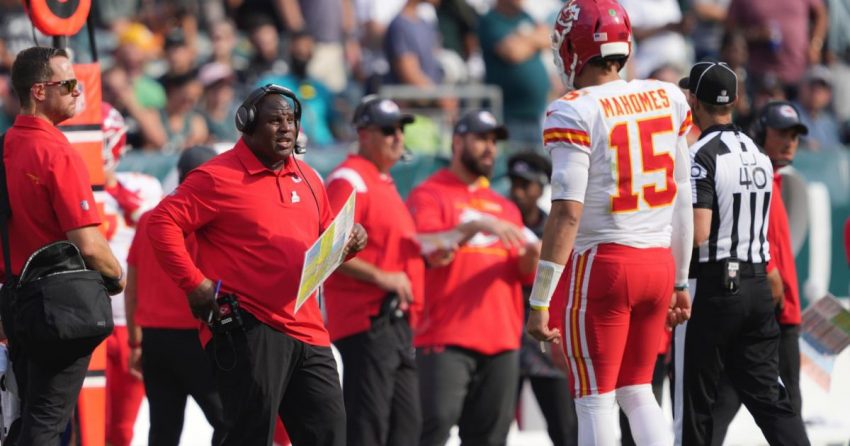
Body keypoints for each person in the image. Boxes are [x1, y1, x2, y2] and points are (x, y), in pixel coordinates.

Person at [146, 84, 366, 446]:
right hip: (250, 326)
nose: (286, 128)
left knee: (329, 431)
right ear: (246, 124)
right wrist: (193, 283)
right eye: (275, 121)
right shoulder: (216, 176)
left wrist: (350, 244)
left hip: (308, 327)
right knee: (250, 435)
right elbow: (161, 222)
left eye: (291, 120)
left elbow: (325, 243)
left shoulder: (310, 178)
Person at [525, 2, 695, 445]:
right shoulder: (667, 96)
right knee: (638, 391)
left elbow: (567, 211)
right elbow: (683, 194)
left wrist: (540, 298)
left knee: (595, 399)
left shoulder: (574, 110)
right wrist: (680, 278)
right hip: (658, 263)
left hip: (605, 265)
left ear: (574, 49)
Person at [674, 61, 810, 445]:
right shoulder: (758, 153)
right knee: (772, 400)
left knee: (698, 404)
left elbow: (700, 231)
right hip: (757, 284)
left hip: (715, 286)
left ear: (694, 101)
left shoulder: (700, 155)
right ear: (734, 101)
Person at [0, 46, 124, 445]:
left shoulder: (5, 146)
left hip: (15, 302)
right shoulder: (55, 151)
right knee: (47, 423)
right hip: (58, 308)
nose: (77, 91)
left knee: (27, 418)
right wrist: (117, 276)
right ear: (39, 91)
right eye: (69, 84)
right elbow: (88, 244)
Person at [407, 109, 540, 446]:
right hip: (445, 336)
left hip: (502, 341)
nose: (490, 148)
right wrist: (475, 225)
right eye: (481, 138)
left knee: (491, 438)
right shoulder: (429, 194)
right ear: (457, 142)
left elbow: (523, 274)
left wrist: (534, 255)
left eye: (494, 141)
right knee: (432, 431)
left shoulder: (504, 207)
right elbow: (426, 246)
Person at [707, 101, 810, 444]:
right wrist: (767, 274)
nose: (789, 142)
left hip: (775, 309)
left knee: (728, 401)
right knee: (783, 407)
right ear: (761, 132)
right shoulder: (754, 179)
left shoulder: (773, 179)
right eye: (782, 133)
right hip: (768, 310)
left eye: (794, 135)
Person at [323, 96, 423, 446]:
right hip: (367, 320)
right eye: (388, 130)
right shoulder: (350, 178)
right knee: (369, 425)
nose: (398, 137)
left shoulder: (382, 181)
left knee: (406, 426)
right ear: (364, 134)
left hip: (395, 323)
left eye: (400, 129)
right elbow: (328, 251)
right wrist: (383, 277)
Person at [125, 146, 226, 446]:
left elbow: (132, 287)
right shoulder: (207, 223)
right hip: (196, 338)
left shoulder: (149, 219)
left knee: (163, 430)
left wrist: (135, 342)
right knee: (230, 421)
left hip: (155, 340)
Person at [100, 103, 162, 446]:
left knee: (123, 429)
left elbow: (160, 233)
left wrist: (116, 193)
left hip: (132, 325)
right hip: (90, 324)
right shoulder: (71, 188)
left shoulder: (143, 186)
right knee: (85, 426)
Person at [506, 152, 578, 446]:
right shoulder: (499, 225)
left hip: (545, 341)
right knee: (490, 429)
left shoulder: (557, 231)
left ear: (540, 187)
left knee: (565, 429)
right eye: (514, 183)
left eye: (525, 184)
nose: (518, 191)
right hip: (505, 340)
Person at [478, 0, 551, 146]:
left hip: (537, 114)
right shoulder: (490, 20)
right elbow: (512, 52)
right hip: (509, 116)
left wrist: (522, 39)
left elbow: (549, 38)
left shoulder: (526, 16)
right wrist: (534, 40)